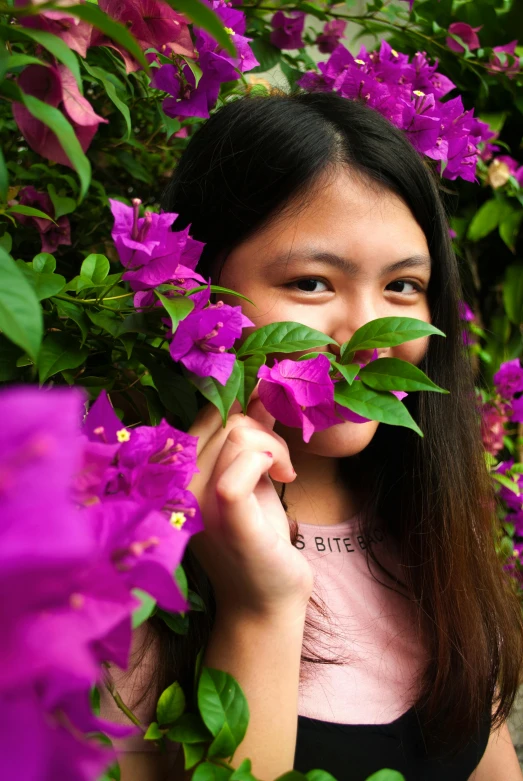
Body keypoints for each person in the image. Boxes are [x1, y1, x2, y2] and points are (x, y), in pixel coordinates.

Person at [100, 91, 523, 781]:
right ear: (195, 288)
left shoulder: (430, 531)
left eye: (402, 286)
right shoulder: (123, 574)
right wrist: (258, 606)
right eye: (310, 281)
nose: (365, 337)